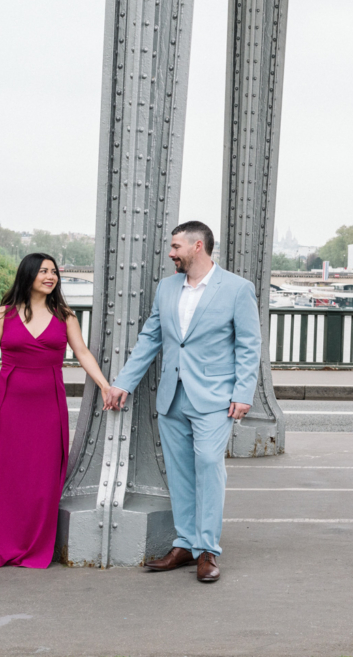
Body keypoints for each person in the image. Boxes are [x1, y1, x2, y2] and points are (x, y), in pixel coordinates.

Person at [106, 221, 261, 583]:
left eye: (176, 246)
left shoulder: (238, 289)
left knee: (208, 465)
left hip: (215, 397)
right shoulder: (168, 287)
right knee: (179, 473)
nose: (171, 253)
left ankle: (208, 550)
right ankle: (185, 544)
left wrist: (243, 392)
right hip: (172, 395)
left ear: (197, 246)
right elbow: (150, 338)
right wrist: (123, 383)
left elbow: (249, 345)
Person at [0, 253, 113, 568]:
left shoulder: (65, 315)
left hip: (49, 404)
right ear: (29, 274)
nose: (50, 277)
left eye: (54, 272)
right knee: (7, 475)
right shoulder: (2, 314)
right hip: (8, 401)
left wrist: (104, 385)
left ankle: (33, 543)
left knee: (42, 477)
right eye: (43, 271)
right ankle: (3, 541)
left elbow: (82, 352)